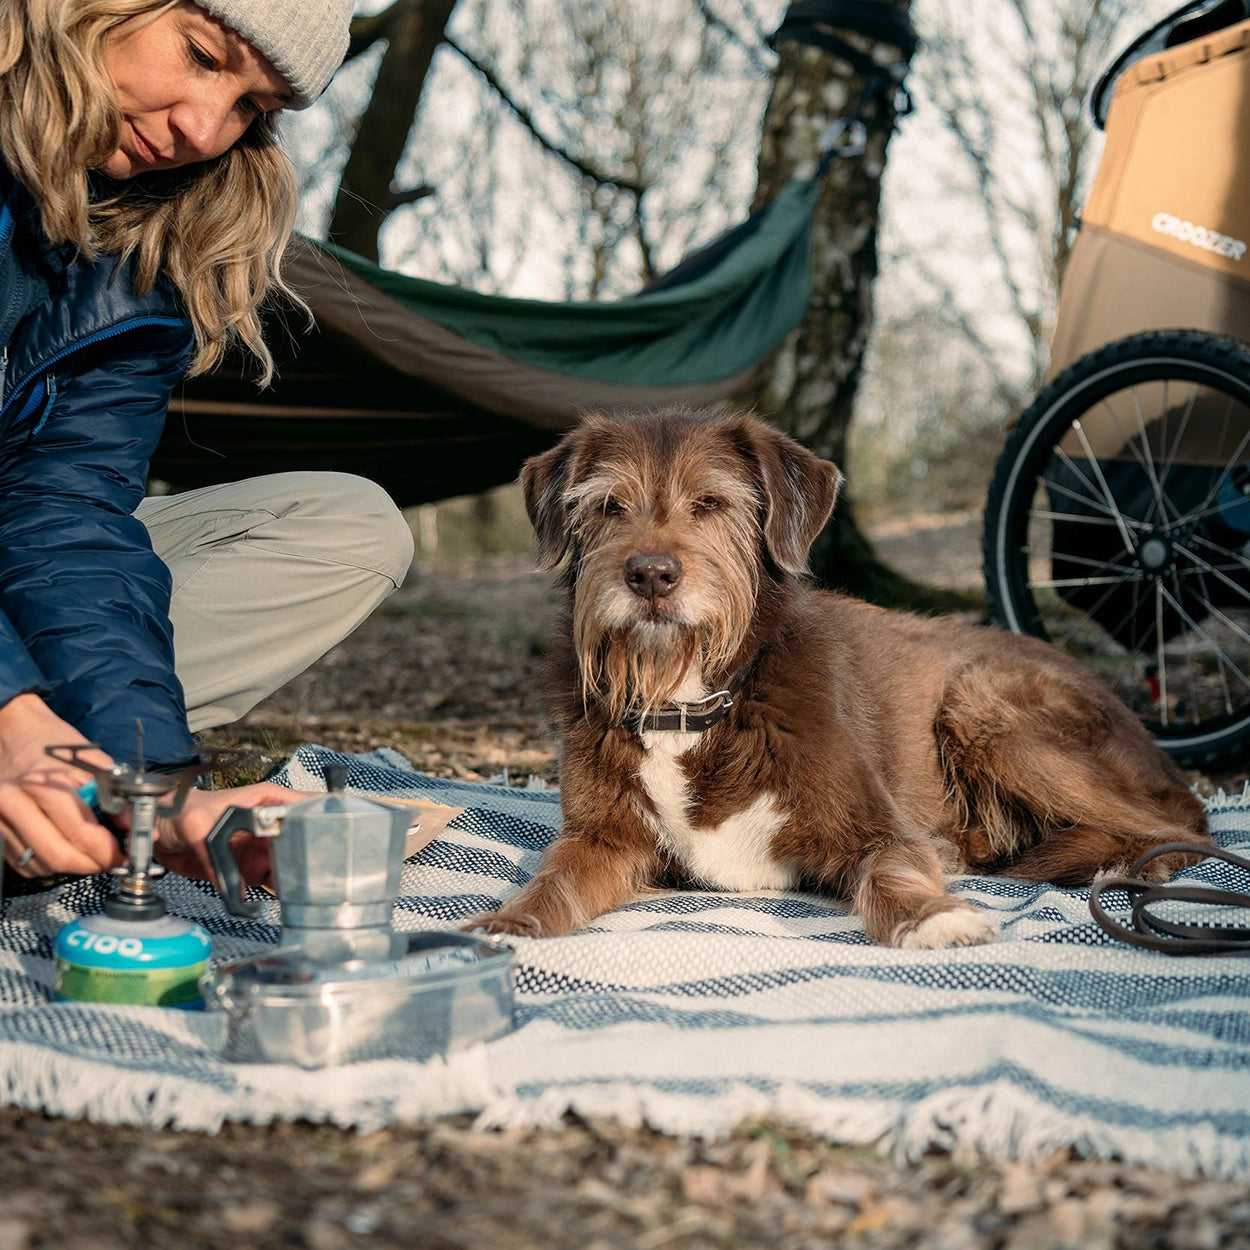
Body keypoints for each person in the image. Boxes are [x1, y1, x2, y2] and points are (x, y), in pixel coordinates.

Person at [0, 0, 414, 888]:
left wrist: (157, 783)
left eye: (251, 111)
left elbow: (62, 516)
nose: (202, 128)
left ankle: (67, 798)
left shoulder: (138, 239)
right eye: (199, 54)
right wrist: (10, 714)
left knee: (351, 524)